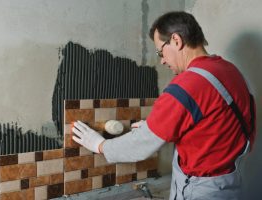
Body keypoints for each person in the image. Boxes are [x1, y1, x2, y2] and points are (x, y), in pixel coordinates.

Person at [72, 11, 256, 200]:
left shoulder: (187, 85)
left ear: (176, 40)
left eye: (161, 51)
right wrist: (162, 128)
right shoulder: (231, 72)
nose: (162, 60)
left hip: (201, 191)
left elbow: (141, 146)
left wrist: (101, 145)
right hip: (230, 185)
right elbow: (218, 126)